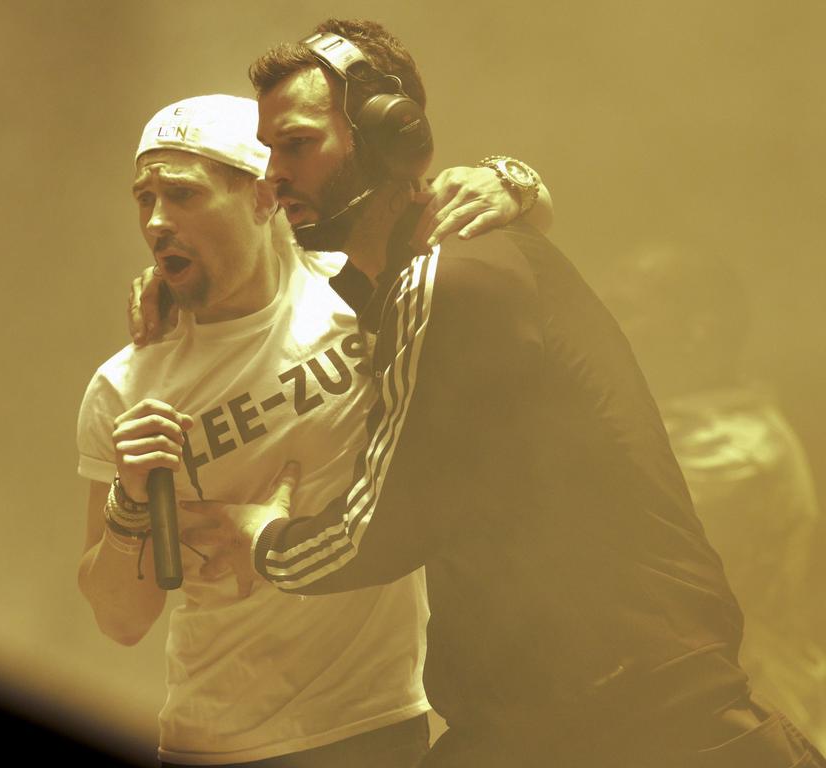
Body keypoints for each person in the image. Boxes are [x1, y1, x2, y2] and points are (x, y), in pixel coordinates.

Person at [180, 18, 826, 768]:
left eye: (296, 144)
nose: (274, 175)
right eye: (267, 153)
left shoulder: (445, 277)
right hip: (576, 710)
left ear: (392, 138)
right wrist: (190, 290)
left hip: (624, 718)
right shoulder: (434, 273)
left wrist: (264, 537)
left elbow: (378, 527)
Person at [76, 94, 550, 767]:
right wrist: (128, 501)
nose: (155, 220)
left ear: (266, 196)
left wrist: (514, 183)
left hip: (380, 723)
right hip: (213, 742)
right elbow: (121, 621)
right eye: (144, 198)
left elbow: (513, 234)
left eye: (182, 194)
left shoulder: (365, 290)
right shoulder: (126, 386)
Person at [599, 243, 826, 751]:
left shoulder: (739, 450)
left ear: (698, 330)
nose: (604, 324)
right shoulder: (680, 424)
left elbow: (597, 538)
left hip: (748, 723)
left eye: (626, 307)